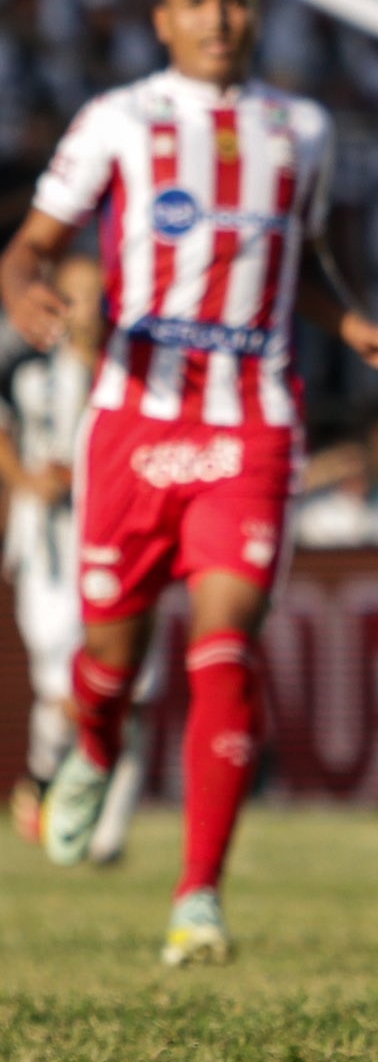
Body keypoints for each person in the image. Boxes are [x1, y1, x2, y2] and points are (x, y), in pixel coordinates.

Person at [0, 0, 378, 966]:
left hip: (251, 419)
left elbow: (298, 262)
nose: (219, 18)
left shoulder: (301, 129)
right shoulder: (117, 120)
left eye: (234, 1)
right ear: (162, 18)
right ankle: (91, 751)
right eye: (198, 1)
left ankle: (198, 895)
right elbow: (30, 242)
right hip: (133, 419)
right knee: (109, 661)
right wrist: (23, 289)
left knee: (225, 642)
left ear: (255, 13)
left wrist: (352, 324)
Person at [3, 256, 148, 863]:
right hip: (49, 550)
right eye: (77, 296)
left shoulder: (133, 366)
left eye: (97, 296)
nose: (87, 308)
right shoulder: (28, 366)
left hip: (126, 543)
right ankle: (44, 782)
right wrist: (26, 480)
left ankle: (104, 831)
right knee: (70, 691)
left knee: (126, 694)